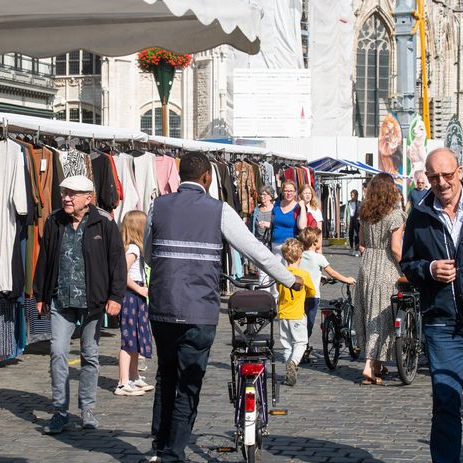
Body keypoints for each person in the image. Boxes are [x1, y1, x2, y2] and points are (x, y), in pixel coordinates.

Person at [145, 153, 303, 462]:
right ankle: (172, 454)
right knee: (189, 383)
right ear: (207, 177)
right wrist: (288, 279)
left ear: (180, 176)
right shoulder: (219, 210)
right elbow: (256, 251)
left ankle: (159, 445)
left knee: (166, 375)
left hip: (163, 306)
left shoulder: (158, 205)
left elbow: (151, 254)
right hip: (198, 312)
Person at [401, 147, 463, 463]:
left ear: (460, 171)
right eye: (434, 176)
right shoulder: (420, 214)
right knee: (445, 399)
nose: (442, 182)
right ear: (426, 177)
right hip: (441, 321)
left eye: (447, 174)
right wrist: (428, 269)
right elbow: (408, 263)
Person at [33, 175, 127, 434]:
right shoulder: (54, 221)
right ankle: (60, 411)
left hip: (93, 301)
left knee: (90, 355)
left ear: (89, 198)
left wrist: (116, 297)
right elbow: (45, 259)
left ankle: (87, 410)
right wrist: (39, 294)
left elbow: (117, 262)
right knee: (58, 352)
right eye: (64, 192)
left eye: (73, 194)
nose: (66, 197)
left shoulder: (104, 223)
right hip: (61, 299)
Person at [353, 173, 406, 385]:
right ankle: (369, 364)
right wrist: (406, 267)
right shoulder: (396, 215)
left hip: (367, 265)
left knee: (367, 313)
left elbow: (362, 242)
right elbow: (395, 248)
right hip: (386, 266)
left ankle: (376, 365)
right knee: (380, 316)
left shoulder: (365, 213)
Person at [297, 227, 356, 362]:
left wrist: (319, 276)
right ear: (314, 242)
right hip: (312, 296)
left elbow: (306, 271)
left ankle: (300, 347)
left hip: (300, 295)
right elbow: (333, 273)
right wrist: (347, 279)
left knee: (300, 321)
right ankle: (302, 348)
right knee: (309, 324)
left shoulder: (300, 256)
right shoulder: (319, 257)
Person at [115, 210, 153, 397]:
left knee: (136, 336)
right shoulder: (133, 249)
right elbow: (123, 274)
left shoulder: (133, 248)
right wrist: (140, 290)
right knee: (129, 339)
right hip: (131, 295)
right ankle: (123, 382)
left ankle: (134, 375)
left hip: (135, 295)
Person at [276, 238, 315, 386]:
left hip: (282, 314)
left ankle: (288, 370)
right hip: (297, 314)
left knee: (286, 345)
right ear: (300, 255)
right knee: (301, 342)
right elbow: (311, 292)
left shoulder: (281, 273)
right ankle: (293, 363)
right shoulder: (303, 275)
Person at [270, 180, 308, 258]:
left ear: (295, 192)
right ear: (282, 192)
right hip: (275, 244)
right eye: (286, 191)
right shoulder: (276, 205)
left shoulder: (298, 207)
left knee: (289, 269)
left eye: (291, 191)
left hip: (291, 246)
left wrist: (303, 207)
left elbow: (302, 226)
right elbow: (272, 223)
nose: (289, 193)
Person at [251, 185, 275, 286]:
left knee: (273, 266)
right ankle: (263, 288)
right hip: (259, 241)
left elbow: (277, 224)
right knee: (262, 268)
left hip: (272, 242)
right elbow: (252, 226)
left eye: (265, 194)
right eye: (261, 194)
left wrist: (268, 225)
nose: (262, 197)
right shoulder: (256, 210)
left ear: (270, 196)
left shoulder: (275, 209)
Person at [299, 184, 323, 252]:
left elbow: (319, 229)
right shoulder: (297, 208)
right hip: (301, 242)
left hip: (313, 242)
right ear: (301, 194)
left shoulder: (316, 210)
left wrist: (319, 247)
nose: (308, 195)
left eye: (309, 193)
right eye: (305, 193)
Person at [346, 189, 361, 257]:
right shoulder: (348, 202)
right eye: (351, 195)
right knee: (350, 234)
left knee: (357, 235)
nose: (352, 196)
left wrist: (360, 218)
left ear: (356, 195)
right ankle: (352, 248)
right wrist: (345, 221)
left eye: (353, 195)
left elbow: (360, 212)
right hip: (351, 218)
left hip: (357, 219)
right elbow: (346, 213)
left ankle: (357, 249)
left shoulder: (359, 203)